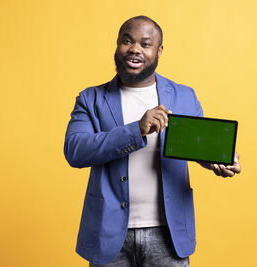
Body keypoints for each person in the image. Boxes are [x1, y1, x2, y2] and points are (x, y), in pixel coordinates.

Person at [64, 15, 241, 267]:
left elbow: (196, 145)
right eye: (127, 41)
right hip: (109, 233)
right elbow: (75, 150)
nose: (134, 49)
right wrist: (136, 130)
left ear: (159, 51)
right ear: (117, 45)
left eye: (145, 44)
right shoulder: (90, 98)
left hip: (168, 235)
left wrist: (219, 161)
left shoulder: (184, 96)